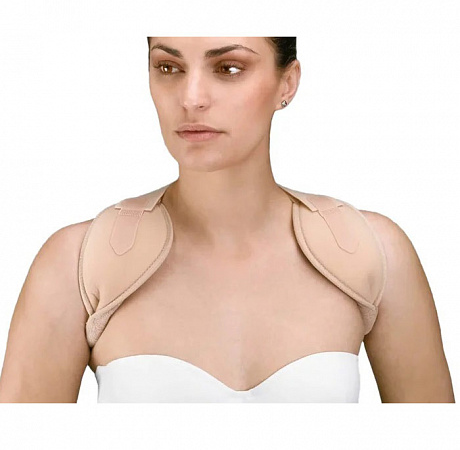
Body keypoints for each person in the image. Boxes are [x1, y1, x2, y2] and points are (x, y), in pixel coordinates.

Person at [0, 37, 454, 403]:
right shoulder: (77, 261)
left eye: (229, 68)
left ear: (287, 83)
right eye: (168, 68)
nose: (191, 98)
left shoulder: (372, 250)